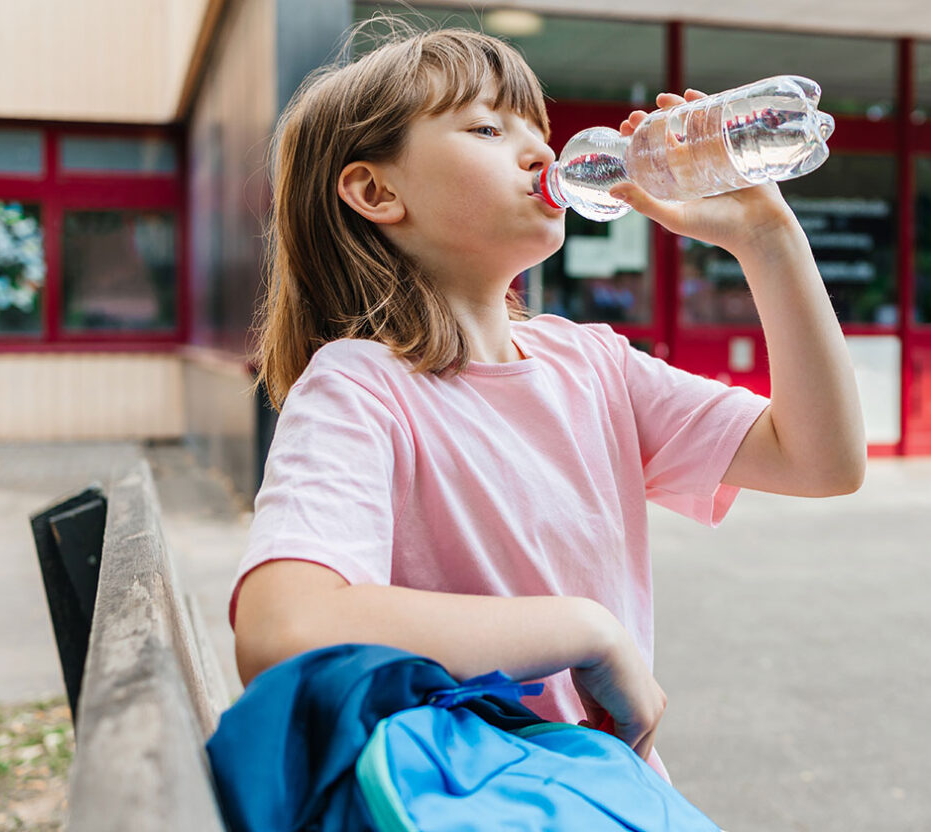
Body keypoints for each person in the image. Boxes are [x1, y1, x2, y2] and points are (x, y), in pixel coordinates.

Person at [229, 23, 865, 780]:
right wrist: (583, 631)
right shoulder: (360, 387)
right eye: (488, 128)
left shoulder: (591, 363)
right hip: (481, 798)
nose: (540, 151)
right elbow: (284, 628)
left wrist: (768, 236)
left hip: (608, 792)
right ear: (376, 191)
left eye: (538, 126)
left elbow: (821, 459)